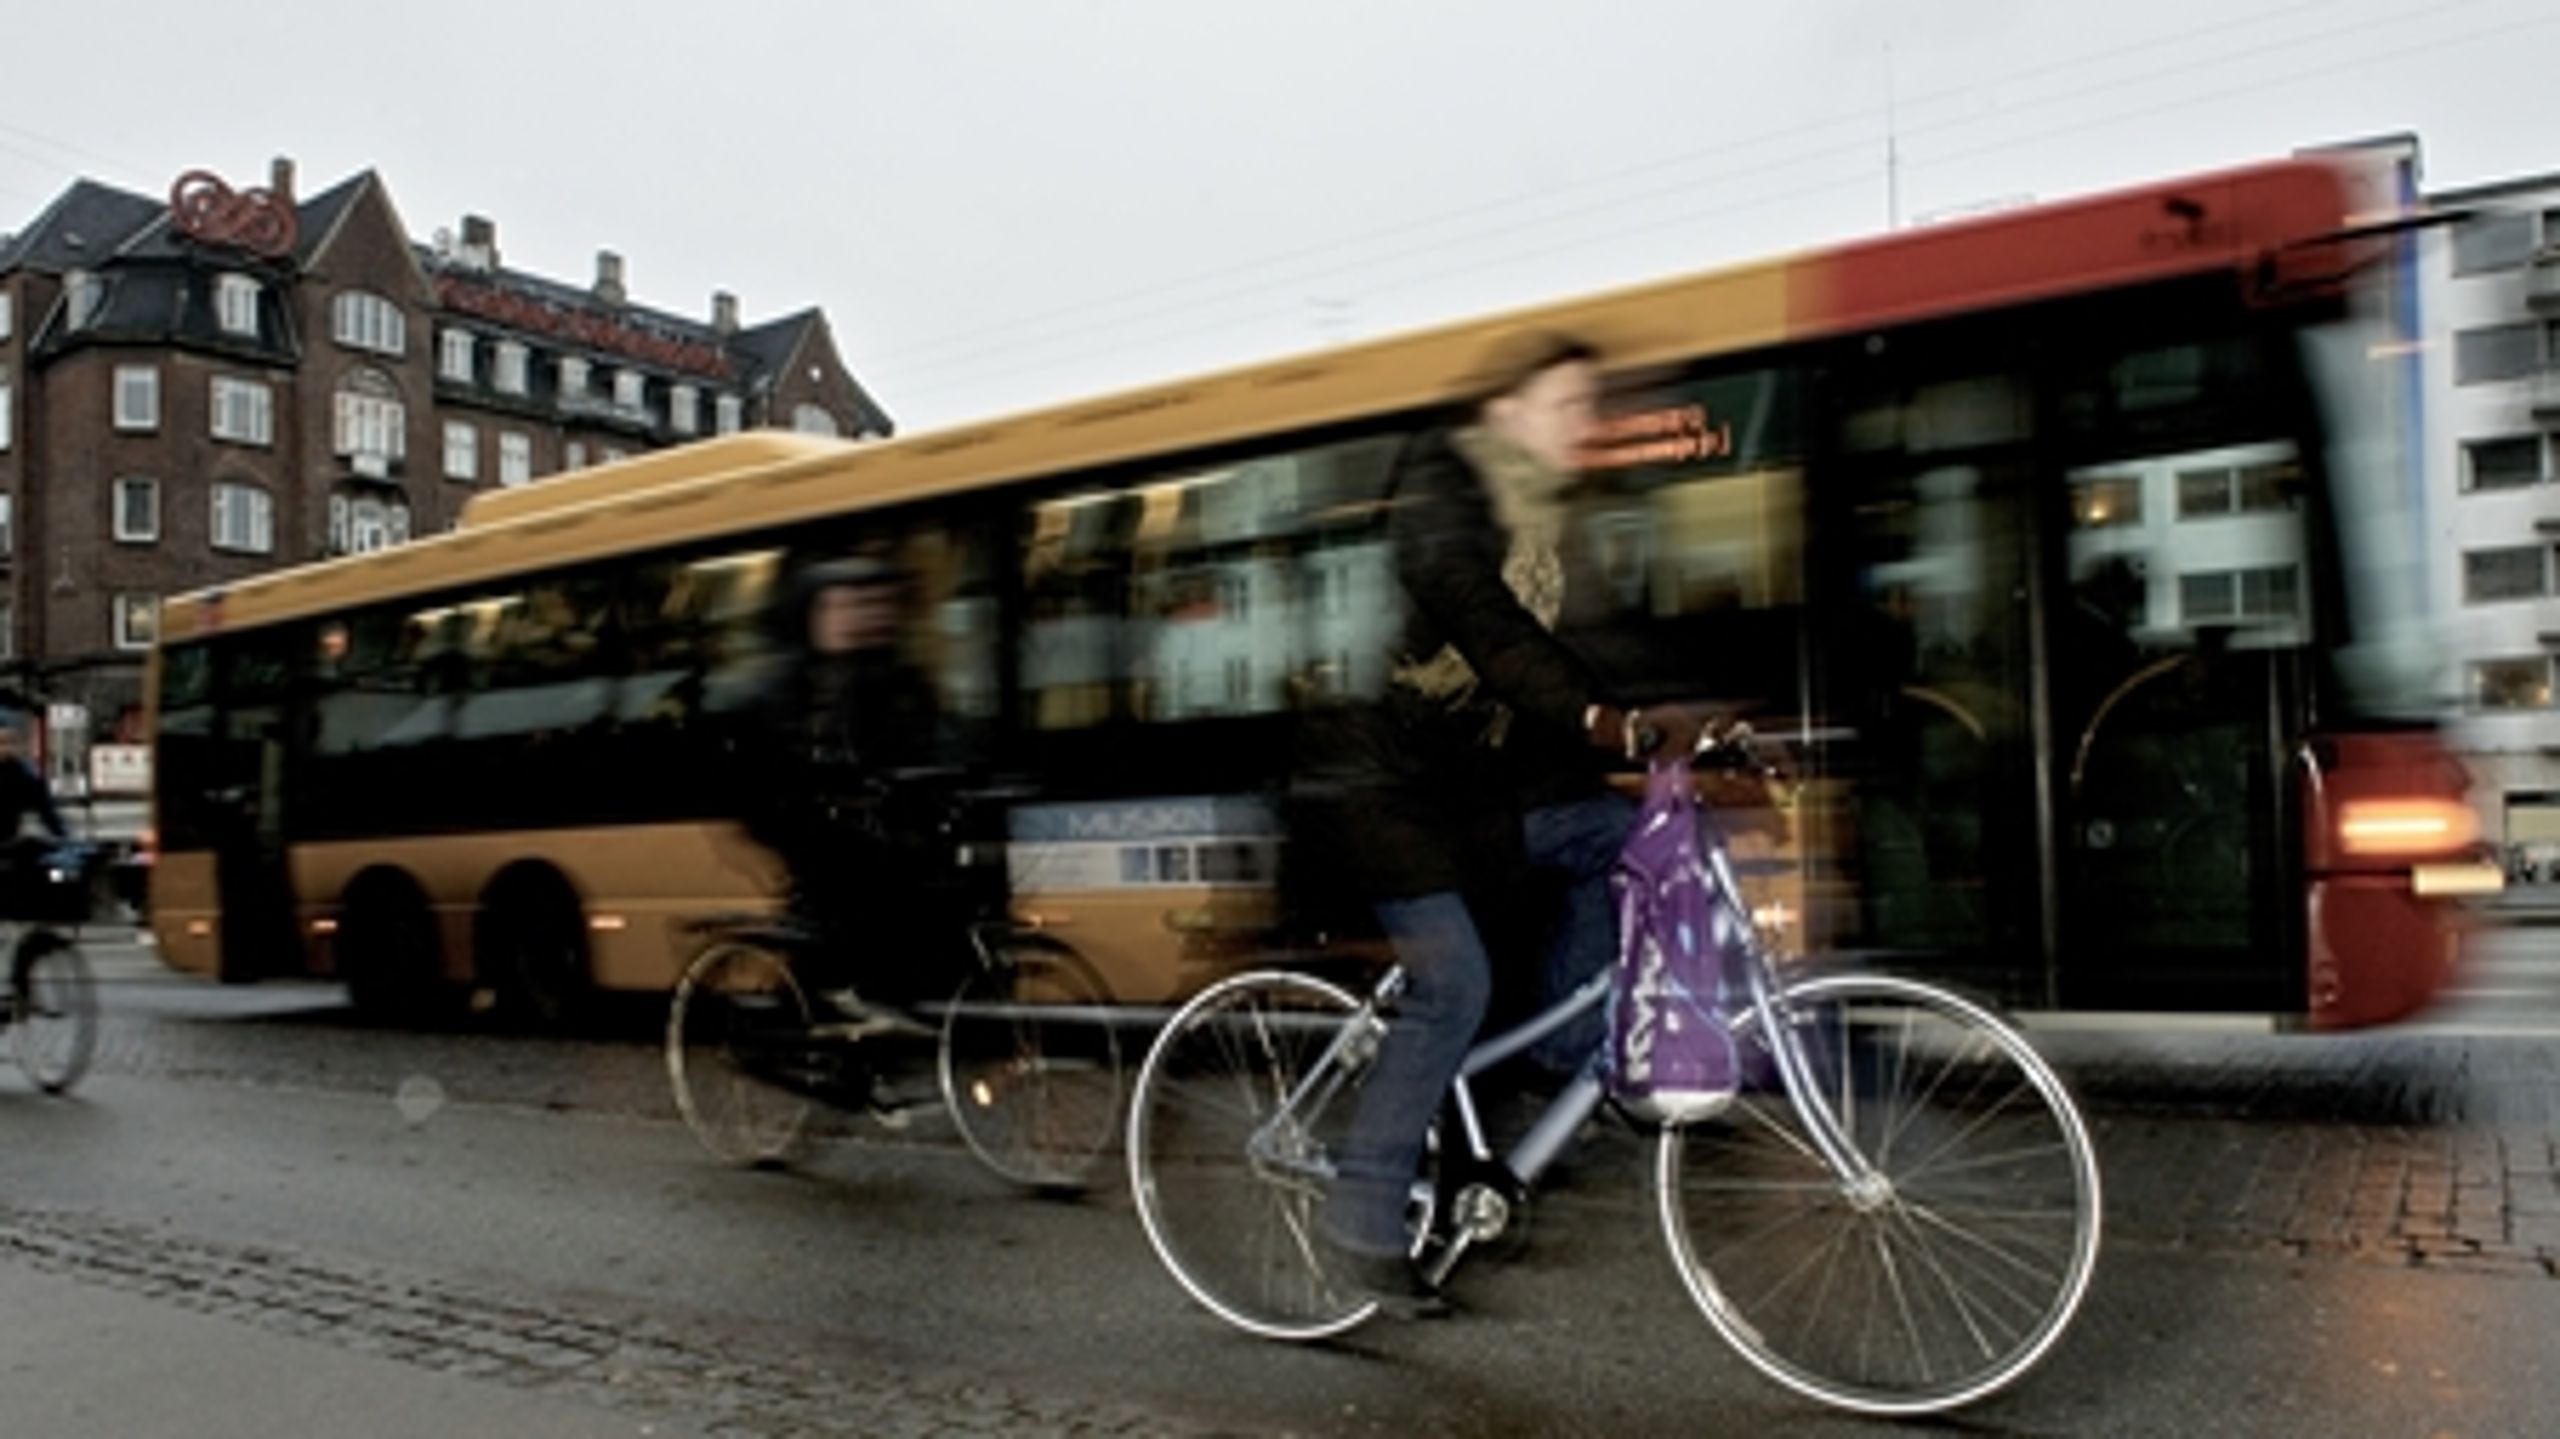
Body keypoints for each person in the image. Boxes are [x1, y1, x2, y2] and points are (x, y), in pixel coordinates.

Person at [1307, 333, 1714, 1311]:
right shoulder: (1440, 493)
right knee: (1456, 983)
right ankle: (1360, 1218)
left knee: (1627, 841)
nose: (1586, 423)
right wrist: (1594, 717)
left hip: (1478, 796)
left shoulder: (1547, 519)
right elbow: (1487, 626)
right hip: (1380, 788)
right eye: (1567, 403)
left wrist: (1699, 718)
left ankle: (1566, 1060)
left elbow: (1592, 643)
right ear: (1504, 411)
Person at [738, 553, 958, 1037]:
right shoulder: (788, 685)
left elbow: (921, 738)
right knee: (851, 890)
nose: (860, 618)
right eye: (842, 607)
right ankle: (815, 1018)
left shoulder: (884, 674)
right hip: (800, 819)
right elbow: (776, 766)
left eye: (868, 606)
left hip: (858, 817)